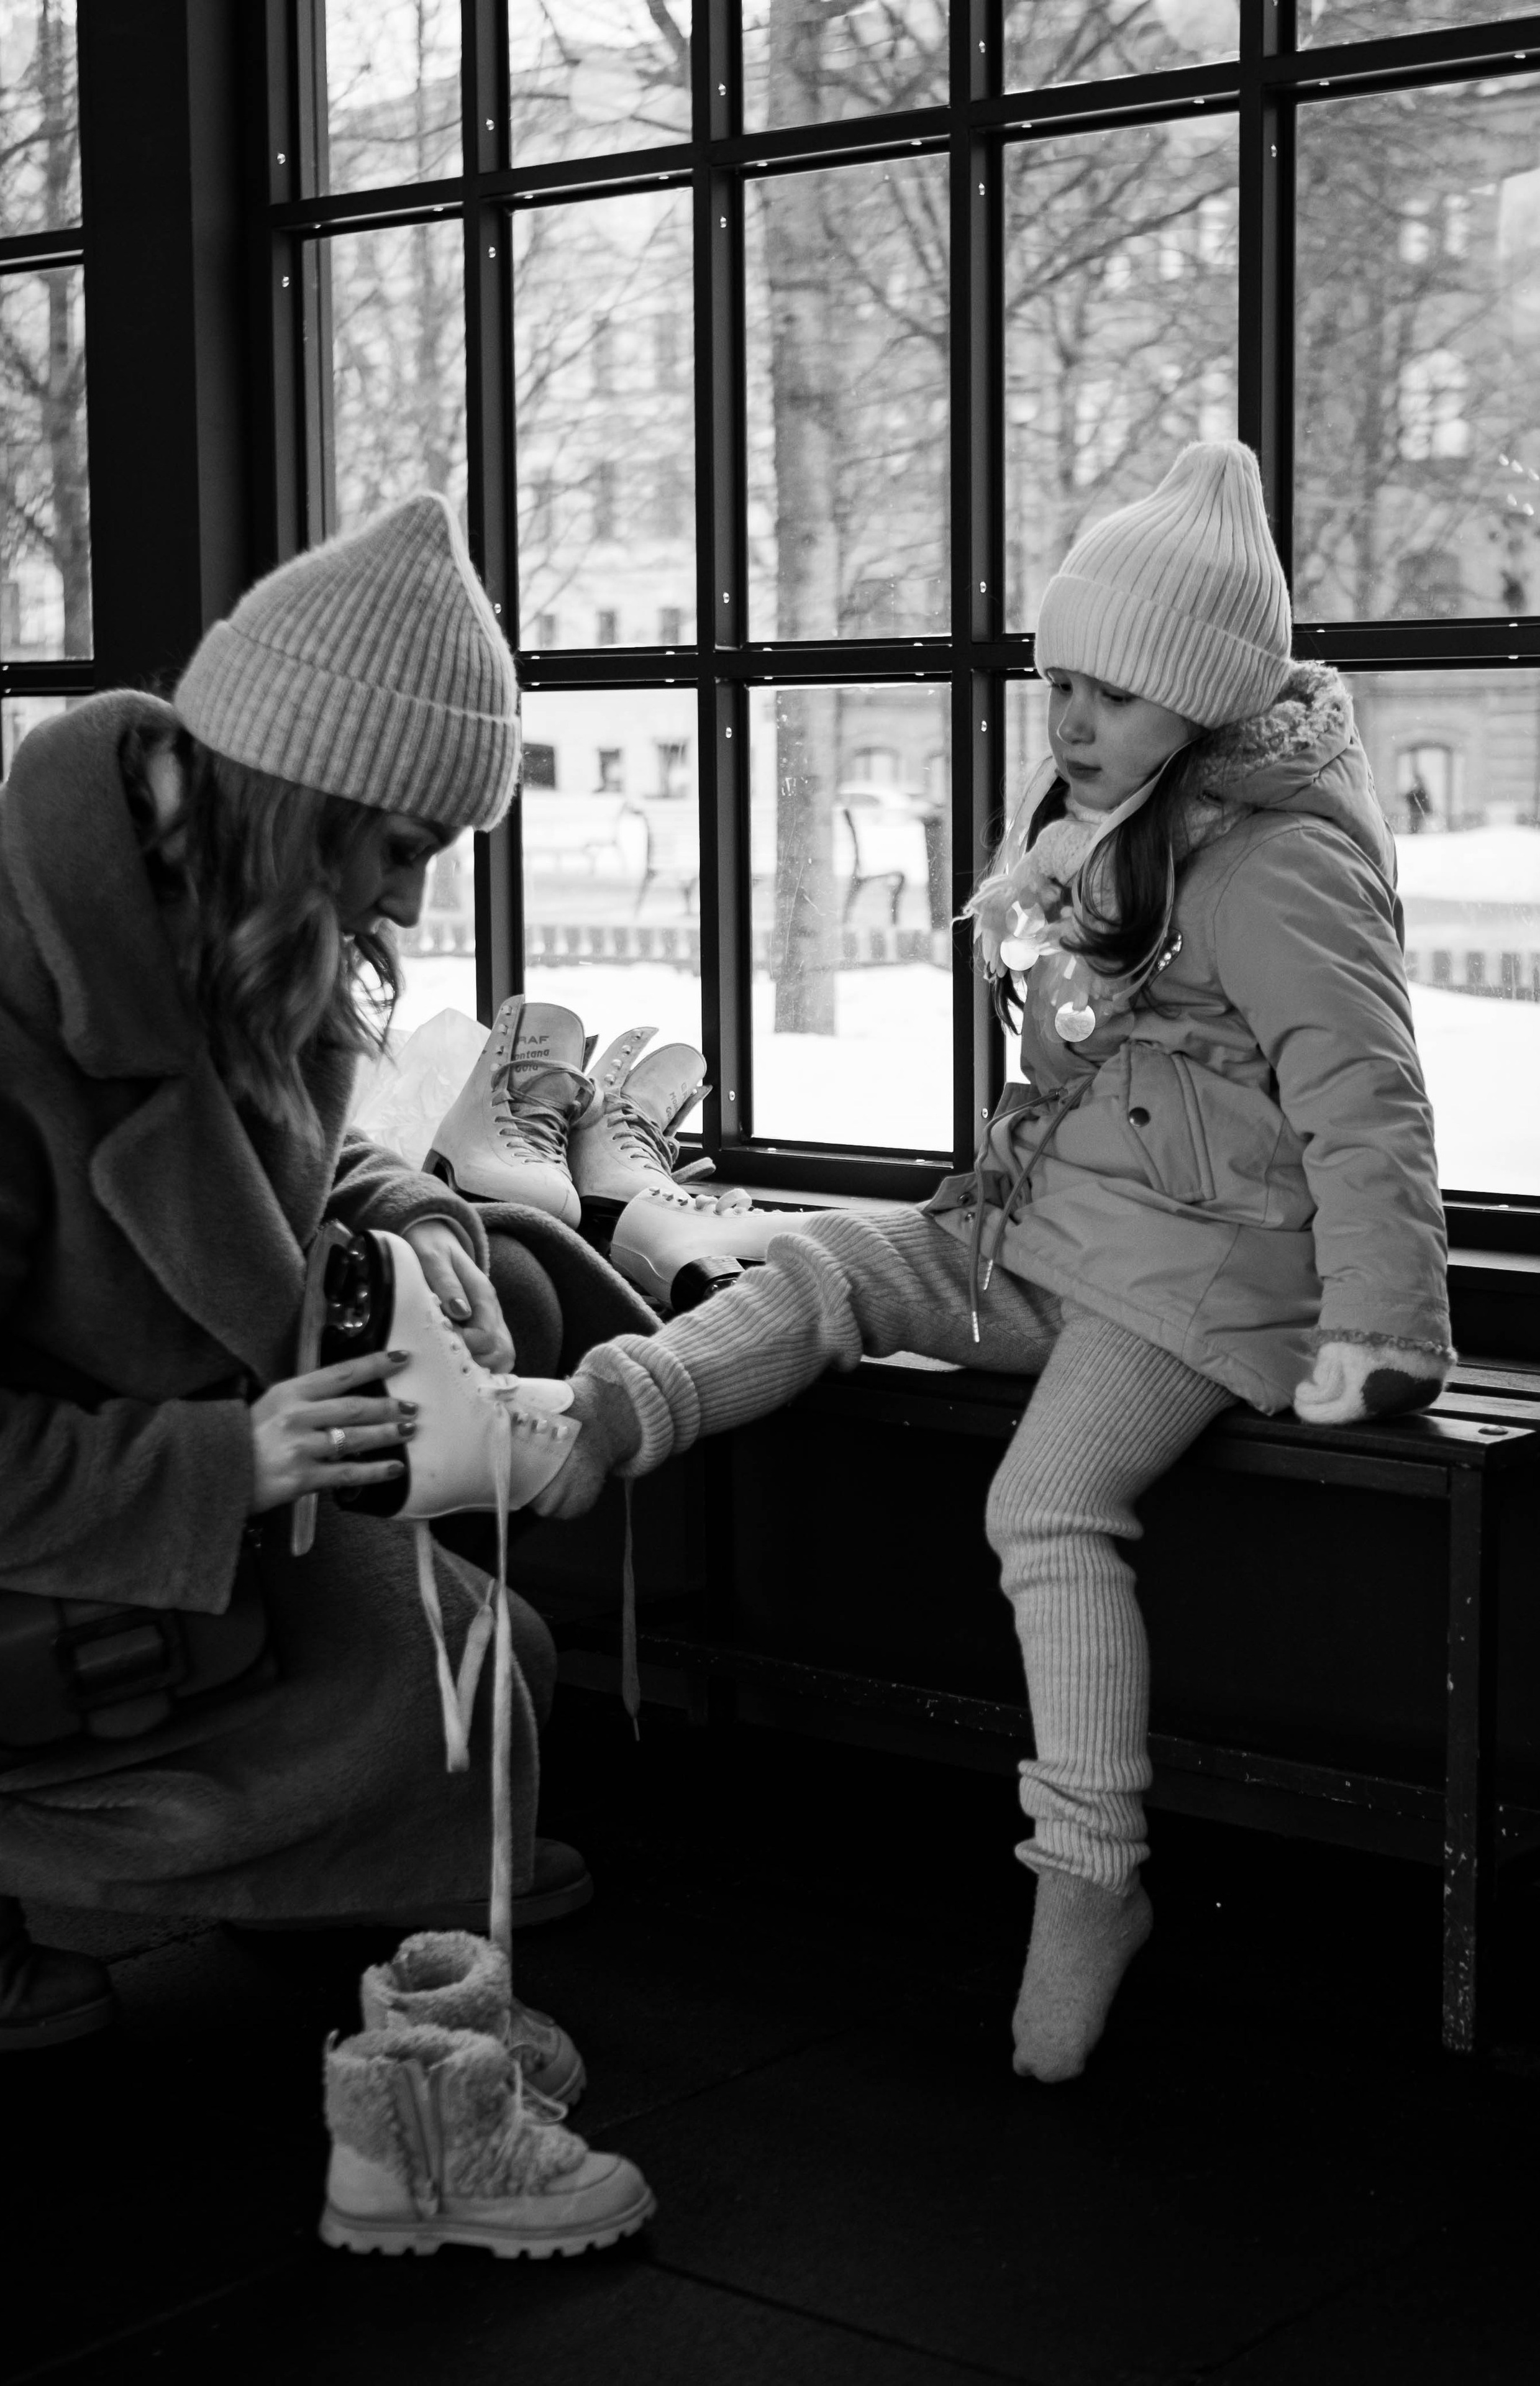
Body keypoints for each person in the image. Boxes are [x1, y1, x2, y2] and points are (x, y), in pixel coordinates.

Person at [532, 442, 1453, 2083]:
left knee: (1042, 1502)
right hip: (1052, 1234)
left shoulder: (1277, 861)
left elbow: (1365, 1101)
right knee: (829, 1260)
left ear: (1202, 695)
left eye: (1108, 690)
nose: (1068, 718)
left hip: (1199, 1277)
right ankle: (615, 1411)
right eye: (1060, 684)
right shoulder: (1108, 827)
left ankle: (1088, 1876)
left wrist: (1389, 1328)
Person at [0, 493, 651, 2051]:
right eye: (400, 850)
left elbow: (269, 1166)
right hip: (22, 1537)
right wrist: (227, 1462)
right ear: (296, 803)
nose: (408, 903)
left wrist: (419, 1221)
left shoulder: (234, 912)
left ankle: (336, 1856)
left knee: (494, 1664)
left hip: (167, 1476)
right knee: (436, 1705)